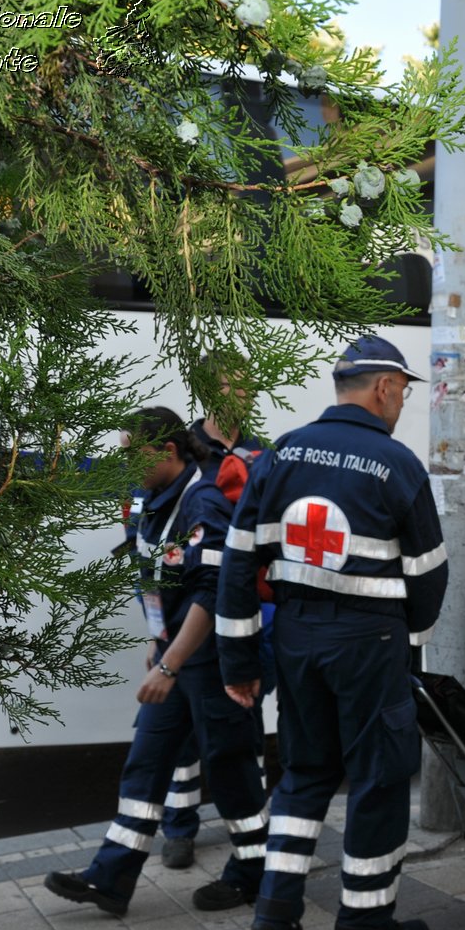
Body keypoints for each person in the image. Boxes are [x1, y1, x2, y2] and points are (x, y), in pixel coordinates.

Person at [215, 335, 447, 930]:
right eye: (401, 390)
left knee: (304, 772)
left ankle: (275, 914)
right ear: (382, 388)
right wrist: (409, 635)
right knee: (377, 777)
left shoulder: (280, 454)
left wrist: (240, 664)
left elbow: (237, 567)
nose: (402, 401)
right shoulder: (396, 464)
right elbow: (429, 574)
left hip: (296, 639)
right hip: (369, 643)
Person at [45, 408, 269, 916]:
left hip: (210, 661)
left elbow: (210, 597)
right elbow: (154, 575)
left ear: (166, 451)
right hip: (175, 655)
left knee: (230, 770)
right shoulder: (150, 499)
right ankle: (111, 878)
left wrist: (169, 663)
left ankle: (254, 872)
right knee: (145, 764)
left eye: (130, 453)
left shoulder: (204, 504)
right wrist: (157, 640)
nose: (122, 463)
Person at [160, 364, 280, 871]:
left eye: (247, 383)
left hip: (248, 611)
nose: (242, 393)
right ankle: (179, 828)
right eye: (231, 384)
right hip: (192, 611)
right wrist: (160, 629)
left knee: (244, 718)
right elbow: (153, 533)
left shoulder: (261, 453)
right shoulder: (182, 451)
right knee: (184, 729)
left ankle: (251, 828)